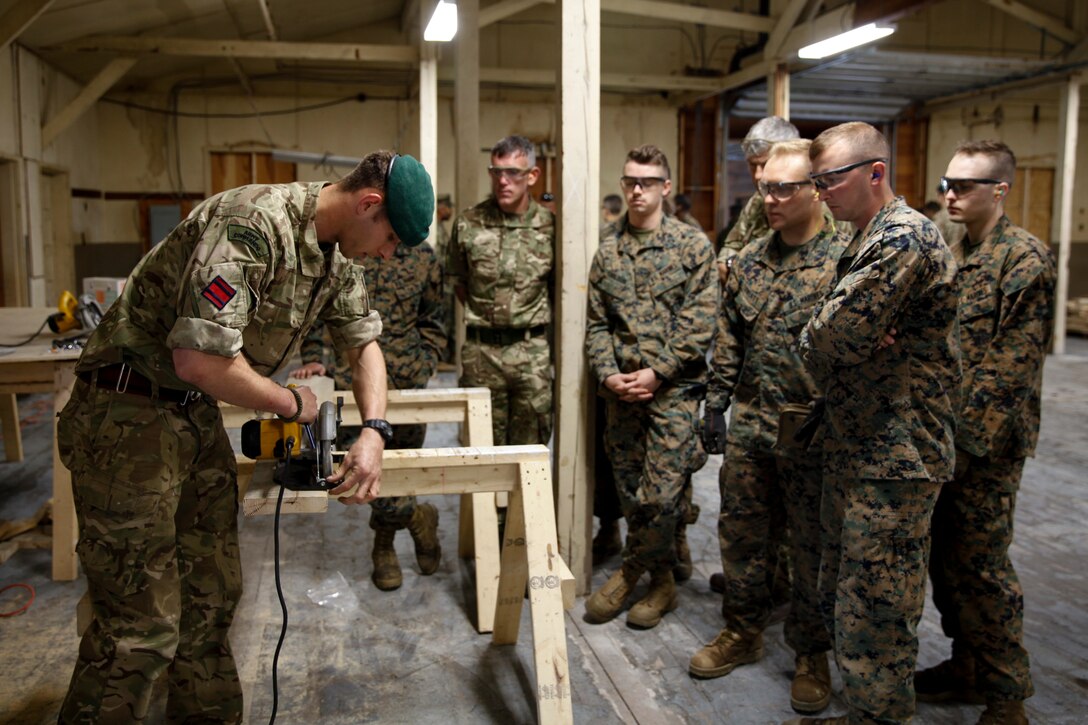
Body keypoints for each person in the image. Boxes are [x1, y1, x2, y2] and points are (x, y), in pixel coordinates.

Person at [56, 151, 434, 723]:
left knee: (211, 597)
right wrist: (292, 403)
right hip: (124, 414)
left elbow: (363, 344)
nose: (389, 255)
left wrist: (375, 432)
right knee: (139, 626)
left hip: (189, 414)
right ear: (367, 204)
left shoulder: (338, 255)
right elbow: (198, 360)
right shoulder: (254, 224)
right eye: (390, 240)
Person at [788, 122, 961, 725]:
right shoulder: (859, 237)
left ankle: (882, 716)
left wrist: (839, 335)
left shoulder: (904, 237)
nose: (820, 193)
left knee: (879, 607)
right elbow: (825, 335)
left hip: (898, 452)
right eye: (816, 181)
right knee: (850, 594)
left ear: (876, 173)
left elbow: (831, 332)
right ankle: (867, 712)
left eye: (830, 179)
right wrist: (840, 335)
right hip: (859, 443)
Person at [691, 140, 845, 717]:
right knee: (743, 537)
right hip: (754, 425)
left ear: (816, 189)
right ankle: (742, 630)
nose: (771, 198)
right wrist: (715, 405)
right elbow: (730, 339)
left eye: (785, 188)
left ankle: (811, 652)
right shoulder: (751, 258)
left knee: (812, 549)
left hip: (815, 431)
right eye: (765, 187)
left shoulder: (847, 257)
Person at [915, 140, 1055, 725]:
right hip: (941, 438)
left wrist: (966, 447)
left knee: (982, 567)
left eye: (964, 185)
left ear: (999, 191)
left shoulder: (1024, 260)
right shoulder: (951, 250)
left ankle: (1007, 695)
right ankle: (966, 663)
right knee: (945, 561)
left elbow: (1010, 368)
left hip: (987, 448)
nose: (950, 193)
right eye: (948, 183)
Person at [583, 144, 716, 629]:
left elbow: (700, 323)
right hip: (622, 395)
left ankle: (631, 570)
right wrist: (607, 372)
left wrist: (658, 371)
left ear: (666, 187)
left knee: (661, 495)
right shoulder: (608, 248)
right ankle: (662, 582)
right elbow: (597, 323)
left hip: (673, 392)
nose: (637, 190)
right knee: (631, 493)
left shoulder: (692, 247)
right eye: (629, 181)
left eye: (647, 182)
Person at [291, 238, 447, 591]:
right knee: (359, 466)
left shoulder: (424, 257)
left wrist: (426, 361)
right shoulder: (349, 251)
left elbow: (435, 319)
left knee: (401, 468)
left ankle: (384, 547)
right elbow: (314, 308)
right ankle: (419, 518)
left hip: (406, 379)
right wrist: (314, 354)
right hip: (352, 380)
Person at [448, 135, 554, 447]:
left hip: (531, 352)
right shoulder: (469, 222)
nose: (503, 181)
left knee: (531, 449)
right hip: (482, 353)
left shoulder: (551, 227)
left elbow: (556, 288)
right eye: (496, 172)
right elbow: (460, 282)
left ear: (532, 176)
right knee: (480, 448)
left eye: (512, 173)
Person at [716, 116, 800, 283]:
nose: (757, 175)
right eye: (752, 165)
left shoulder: (814, 201)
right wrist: (728, 262)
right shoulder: (757, 201)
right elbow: (732, 245)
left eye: (765, 164)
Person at [433, 193, 456, 363]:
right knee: (444, 322)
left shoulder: (440, 229)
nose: (450, 211)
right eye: (448, 207)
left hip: (446, 285)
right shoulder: (436, 231)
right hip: (442, 286)